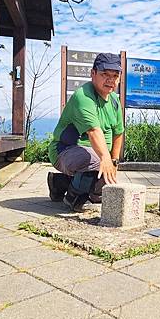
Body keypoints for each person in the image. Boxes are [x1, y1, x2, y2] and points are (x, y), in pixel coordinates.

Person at [47, 52, 124, 211]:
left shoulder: (115, 100)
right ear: (93, 74)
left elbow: (118, 132)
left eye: (115, 75)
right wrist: (105, 158)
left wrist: (114, 161)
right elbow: (94, 131)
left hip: (95, 156)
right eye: (105, 74)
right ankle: (73, 198)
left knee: (99, 193)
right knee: (97, 163)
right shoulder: (83, 96)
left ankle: (59, 183)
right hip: (64, 151)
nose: (110, 80)